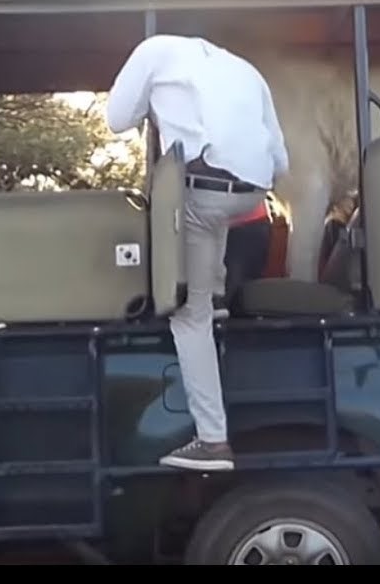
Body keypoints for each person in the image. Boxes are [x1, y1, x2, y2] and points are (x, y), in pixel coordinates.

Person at [105, 33, 289, 472]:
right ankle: (216, 298)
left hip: (200, 191)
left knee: (188, 314)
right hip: (251, 195)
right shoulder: (246, 69)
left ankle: (211, 440)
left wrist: (154, 105)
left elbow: (115, 120)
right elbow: (281, 161)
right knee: (208, 245)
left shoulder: (152, 49)